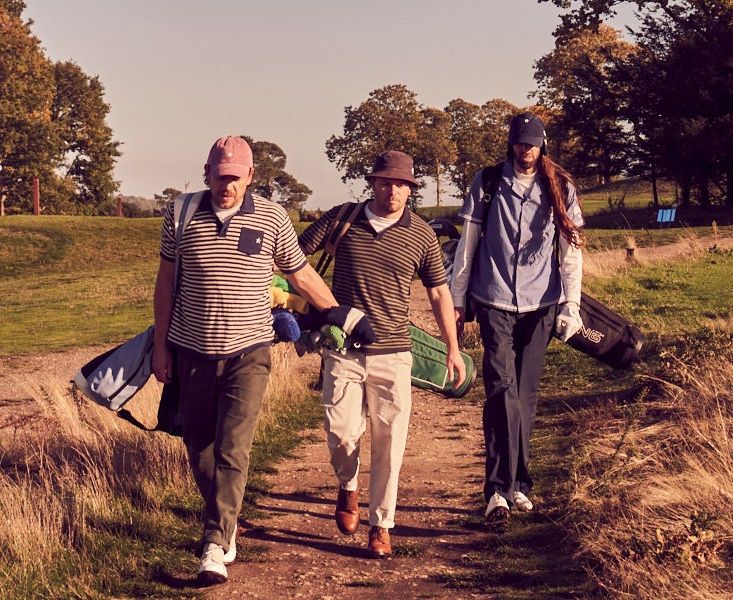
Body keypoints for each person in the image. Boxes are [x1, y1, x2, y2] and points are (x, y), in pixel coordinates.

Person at [153, 135, 337, 587]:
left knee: (233, 447)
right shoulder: (179, 214)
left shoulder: (272, 217)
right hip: (191, 351)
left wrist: (339, 315)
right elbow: (164, 284)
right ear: (207, 173)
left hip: (249, 353)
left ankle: (213, 545)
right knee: (198, 449)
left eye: (236, 177)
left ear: (251, 176)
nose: (227, 186)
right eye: (220, 176)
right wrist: (161, 346)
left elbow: (300, 274)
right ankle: (226, 521)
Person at [298, 150, 466, 558]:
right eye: (386, 182)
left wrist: (453, 349)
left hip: (394, 353)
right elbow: (292, 257)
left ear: (411, 190)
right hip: (342, 349)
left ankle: (382, 525)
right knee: (341, 433)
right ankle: (348, 485)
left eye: (402, 185)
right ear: (372, 183)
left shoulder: (422, 234)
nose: (394, 191)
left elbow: (440, 292)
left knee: (390, 442)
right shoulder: (344, 218)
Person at [447, 113, 584, 528]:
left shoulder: (560, 186)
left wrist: (570, 306)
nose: (526, 150)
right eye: (520, 143)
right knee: (501, 390)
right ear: (511, 144)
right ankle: (496, 491)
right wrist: (457, 301)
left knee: (524, 395)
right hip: (493, 301)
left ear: (543, 144)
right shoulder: (487, 183)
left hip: (541, 305)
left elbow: (571, 250)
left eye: (533, 143)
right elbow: (467, 246)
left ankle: (520, 483)